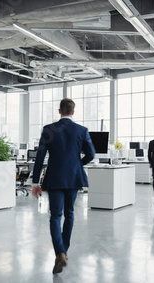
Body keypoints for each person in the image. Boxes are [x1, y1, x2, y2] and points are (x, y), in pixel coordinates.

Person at [31, 98, 95, 274]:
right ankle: (63, 251)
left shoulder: (48, 129)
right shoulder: (82, 130)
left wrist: (35, 181)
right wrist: (77, 164)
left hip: (55, 177)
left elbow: (40, 158)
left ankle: (59, 252)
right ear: (73, 112)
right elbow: (91, 154)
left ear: (59, 111)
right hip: (73, 177)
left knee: (55, 216)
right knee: (70, 213)